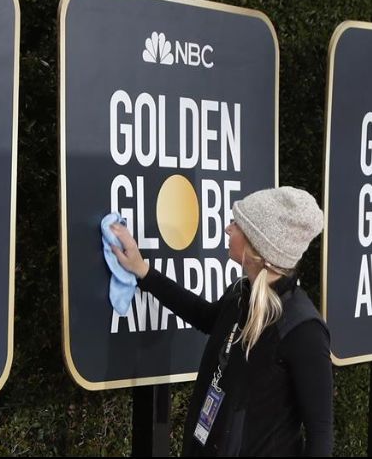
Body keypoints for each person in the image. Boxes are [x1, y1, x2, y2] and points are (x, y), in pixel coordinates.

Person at [110, 186, 333, 457]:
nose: (228, 229)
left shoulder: (303, 330)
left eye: (237, 224)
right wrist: (143, 272)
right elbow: (204, 316)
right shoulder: (241, 294)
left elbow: (320, 434)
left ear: (257, 245)